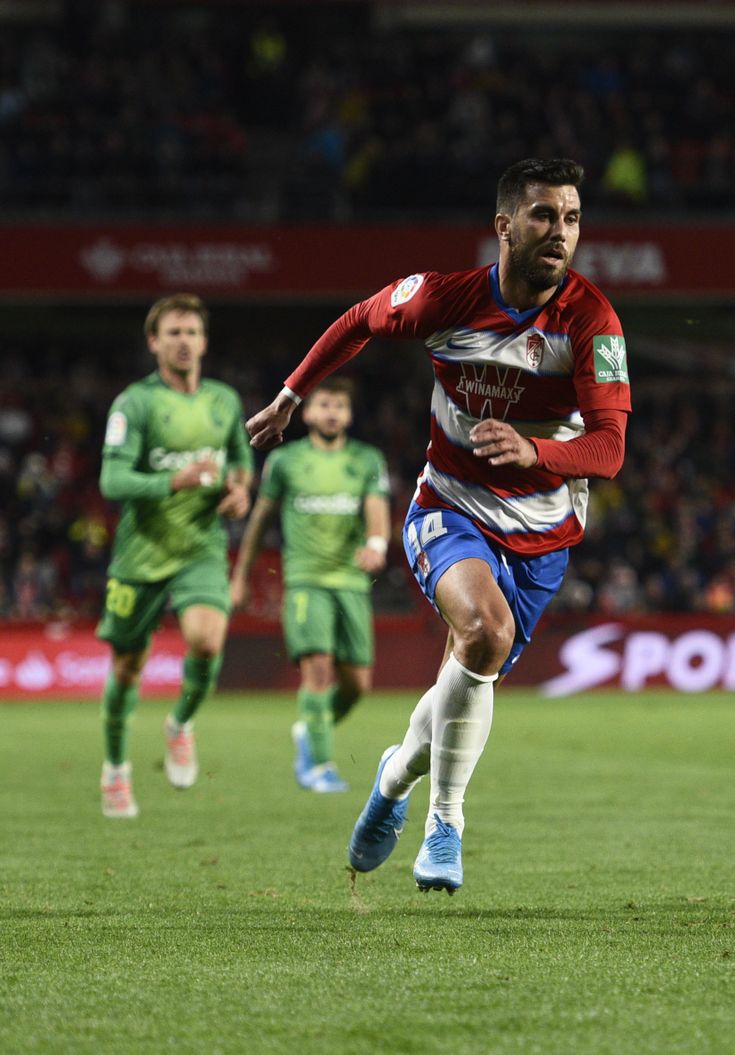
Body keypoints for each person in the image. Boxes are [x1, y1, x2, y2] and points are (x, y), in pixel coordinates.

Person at [245, 158, 630, 894]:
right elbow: (361, 317)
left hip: (544, 534)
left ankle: (392, 778)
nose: (560, 233)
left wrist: (538, 449)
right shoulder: (445, 299)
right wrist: (295, 392)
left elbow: (609, 448)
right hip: (449, 505)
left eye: (573, 219)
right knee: (483, 631)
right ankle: (445, 823)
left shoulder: (591, 321)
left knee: (469, 671)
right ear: (505, 226)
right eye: (545, 216)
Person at [96, 293, 253, 818]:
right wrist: (174, 479)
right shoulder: (134, 404)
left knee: (207, 642)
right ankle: (116, 768)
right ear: (154, 343)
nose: (184, 342)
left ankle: (180, 723)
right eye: (173, 333)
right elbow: (112, 479)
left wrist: (239, 492)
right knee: (125, 669)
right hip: (140, 555)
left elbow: (240, 462)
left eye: (191, 332)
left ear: (204, 341)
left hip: (200, 548)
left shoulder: (224, 401)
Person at [230, 377, 392, 794]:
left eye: (340, 405)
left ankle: (309, 730)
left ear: (350, 414)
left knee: (357, 685)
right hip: (306, 582)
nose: (332, 412)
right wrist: (241, 576)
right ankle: (318, 765)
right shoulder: (285, 462)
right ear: (307, 412)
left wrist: (376, 544)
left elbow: (377, 508)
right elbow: (259, 522)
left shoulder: (367, 459)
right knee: (317, 672)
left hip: (351, 583)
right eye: (324, 404)